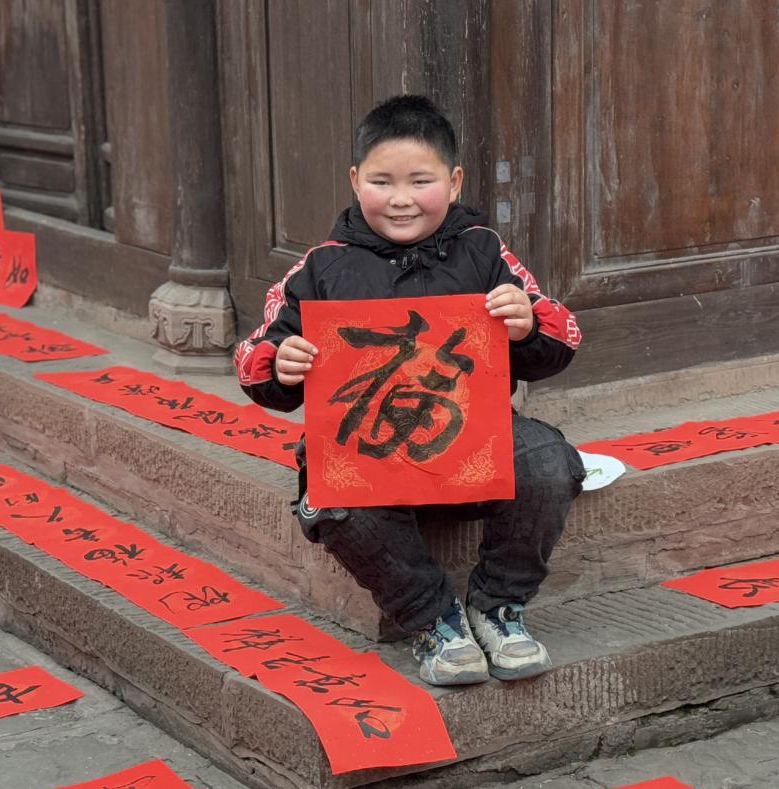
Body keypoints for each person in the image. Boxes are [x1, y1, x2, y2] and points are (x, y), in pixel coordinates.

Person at [236, 95, 585, 686]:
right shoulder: (321, 268)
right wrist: (280, 364)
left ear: (452, 182)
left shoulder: (484, 251)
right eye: (381, 181)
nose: (400, 198)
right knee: (332, 498)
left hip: (471, 443)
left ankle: (498, 606)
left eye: (420, 180)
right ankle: (434, 619)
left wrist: (526, 324)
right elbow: (255, 355)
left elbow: (561, 332)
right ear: (354, 181)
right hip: (368, 453)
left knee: (548, 461)